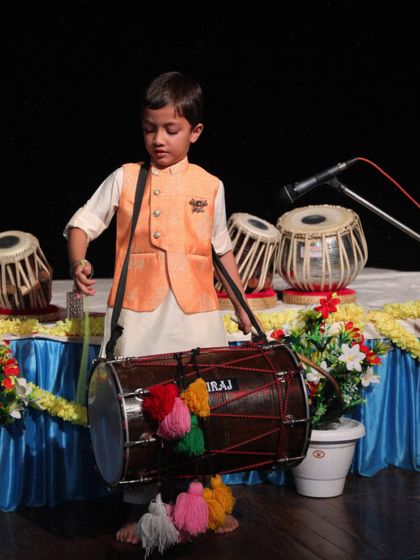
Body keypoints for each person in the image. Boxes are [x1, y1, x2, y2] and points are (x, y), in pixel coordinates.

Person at [65, 71, 252, 545]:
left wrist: (244, 307)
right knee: (140, 407)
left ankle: (202, 497)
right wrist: (79, 259)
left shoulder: (210, 185)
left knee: (201, 405)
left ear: (195, 131)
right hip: (140, 312)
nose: (158, 139)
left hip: (196, 313)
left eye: (170, 130)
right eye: (150, 129)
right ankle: (139, 504)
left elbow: (221, 249)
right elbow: (82, 222)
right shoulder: (126, 177)